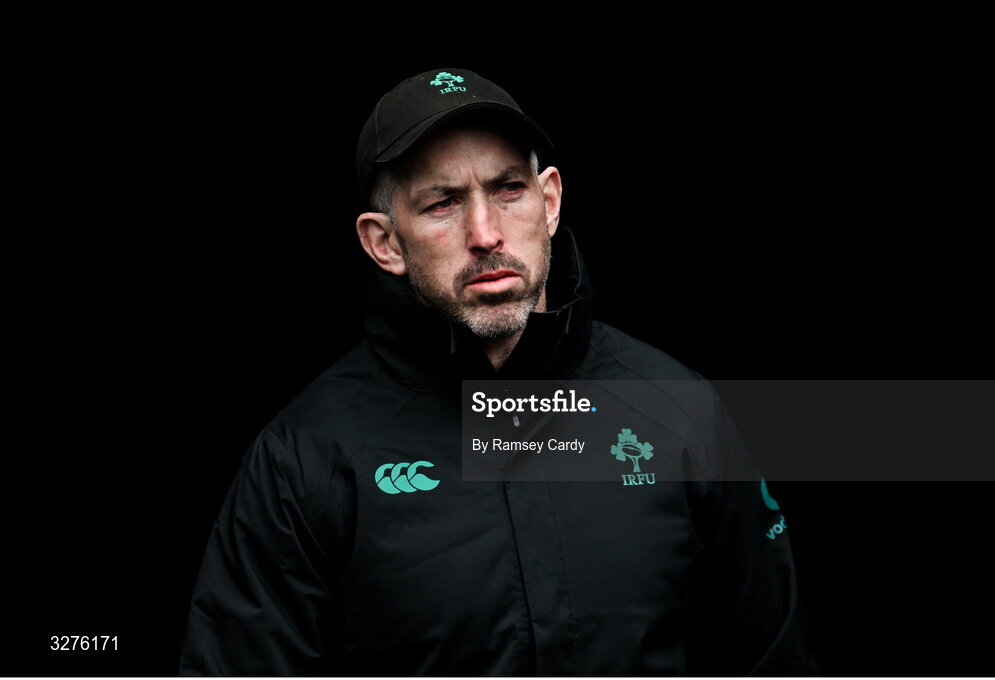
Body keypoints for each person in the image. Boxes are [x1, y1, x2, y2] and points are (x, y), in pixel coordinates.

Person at [179, 67, 817, 675]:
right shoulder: (304, 460)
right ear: (384, 242)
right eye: (442, 203)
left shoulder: (680, 413)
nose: (485, 233)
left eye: (508, 189)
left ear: (550, 202)